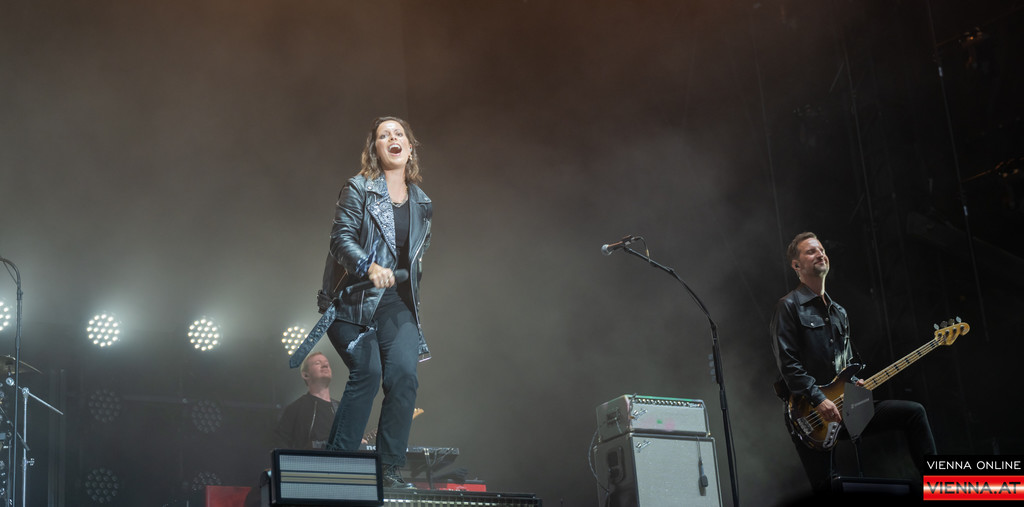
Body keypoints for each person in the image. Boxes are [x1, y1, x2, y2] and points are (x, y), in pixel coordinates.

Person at [770, 231, 936, 494]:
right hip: (808, 414)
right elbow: (788, 364)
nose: (820, 254)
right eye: (811, 251)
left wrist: (855, 381)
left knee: (914, 413)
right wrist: (818, 399)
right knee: (828, 487)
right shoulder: (788, 306)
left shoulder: (839, 312)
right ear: (796, 265)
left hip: (845, 404)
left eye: (822, 249)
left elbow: (846, 363)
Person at [318, 116, 432, 489]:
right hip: (351, 302)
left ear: (410, 147)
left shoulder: (422, 203)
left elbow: (415, 260)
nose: (392, 138)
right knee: (367, 372)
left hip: (396, 304)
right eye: (384, 135)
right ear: (376, 149)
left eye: (399, 134)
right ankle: (337, 466)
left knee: (404, 376)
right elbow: (341, 239)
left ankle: (389, 470)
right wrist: (369, 266)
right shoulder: (358, 188)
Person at [273, 352, 338, 450]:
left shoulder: (342, 409)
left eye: (326, 363)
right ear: (305, 375)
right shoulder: (295, 409)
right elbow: (280, 443)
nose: (325, 365)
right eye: (317, 363)